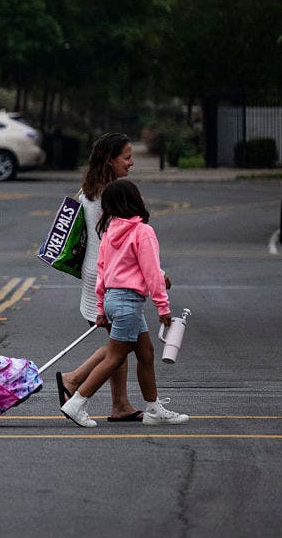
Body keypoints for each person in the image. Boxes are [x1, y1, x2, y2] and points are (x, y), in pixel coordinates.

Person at [59, 179, 189, 427]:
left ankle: (153, 409)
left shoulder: (109, 231)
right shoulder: (143, 232)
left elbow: (102, 271)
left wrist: (100, 308)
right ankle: (77, 402)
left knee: (146, 353)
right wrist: (163, 307)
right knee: (115, 358)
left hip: (113, 299)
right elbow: (152, 273)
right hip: (129, 302)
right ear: (135, 201)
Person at [57, 133, 155, 422]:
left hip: (97, 272)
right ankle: (73, 382)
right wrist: (155, 273)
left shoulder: (88, 190)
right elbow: (124, 244)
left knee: (123, 341)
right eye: (126, 157)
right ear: (110, 160)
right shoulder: (112, 196)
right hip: (112, 276)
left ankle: (120, 404)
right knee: (121, 344)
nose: (132, 162)